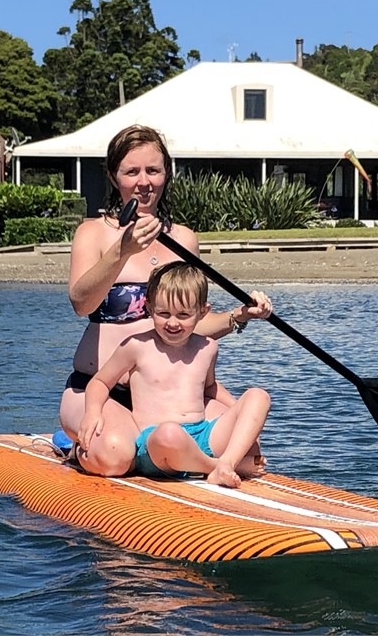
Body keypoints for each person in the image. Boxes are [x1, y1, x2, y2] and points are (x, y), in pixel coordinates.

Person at [59, 124, 272, 477]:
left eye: (153, 170)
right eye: (132, 171)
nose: (144, 181)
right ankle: (79, 446)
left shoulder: (184, 239)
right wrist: (121, 252)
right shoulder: (93, 233)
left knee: (248, 448)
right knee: (115, 456)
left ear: (166, 174)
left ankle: (212, 465)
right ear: (114, 177)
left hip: (169, 398)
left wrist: (240, 315)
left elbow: (191, 324)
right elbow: (81, 302)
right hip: (101, 391)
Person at [78, 261, 270, 487]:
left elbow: (209, 388)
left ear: (202, 312)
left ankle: (225, 462)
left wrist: (239, 412)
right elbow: (100, 381)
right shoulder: (136, 346)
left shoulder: (207, 347)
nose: (172, 322)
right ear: (149, 309)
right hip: (156, 444)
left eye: (183, 315)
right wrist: (93, 412)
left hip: (202, 436)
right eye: (163, 313)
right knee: (170, 433)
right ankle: (222, 467)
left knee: (259, 396)